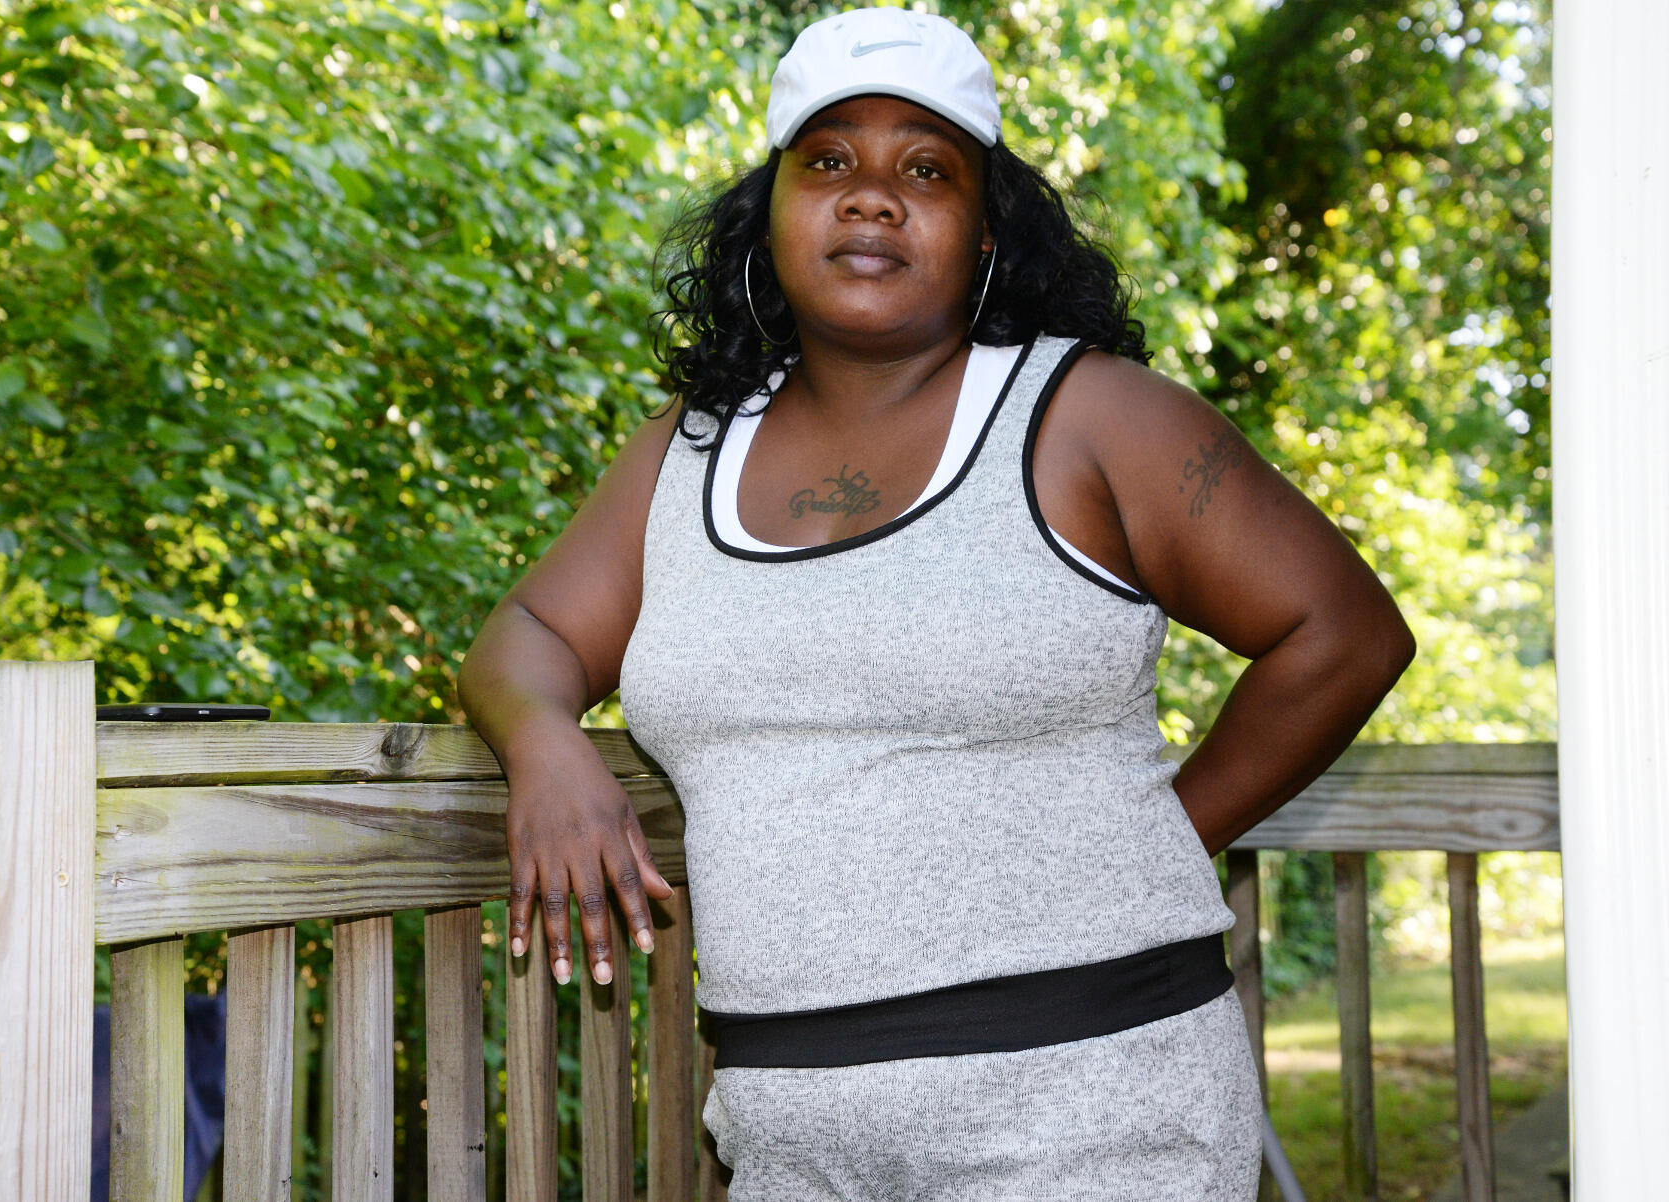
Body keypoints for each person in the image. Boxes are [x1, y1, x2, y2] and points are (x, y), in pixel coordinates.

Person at [459, 7, 1415, 1198]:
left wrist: (1168, 832)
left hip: (1094, 1113)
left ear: (987, 230)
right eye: (827, 162)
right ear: (768, 216)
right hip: (790, 1135)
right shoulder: (684, 458)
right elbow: (529, 634)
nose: (872, 196)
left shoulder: (1093, 418)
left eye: (927, 167)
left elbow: (1345, 631)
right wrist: (545, 742)